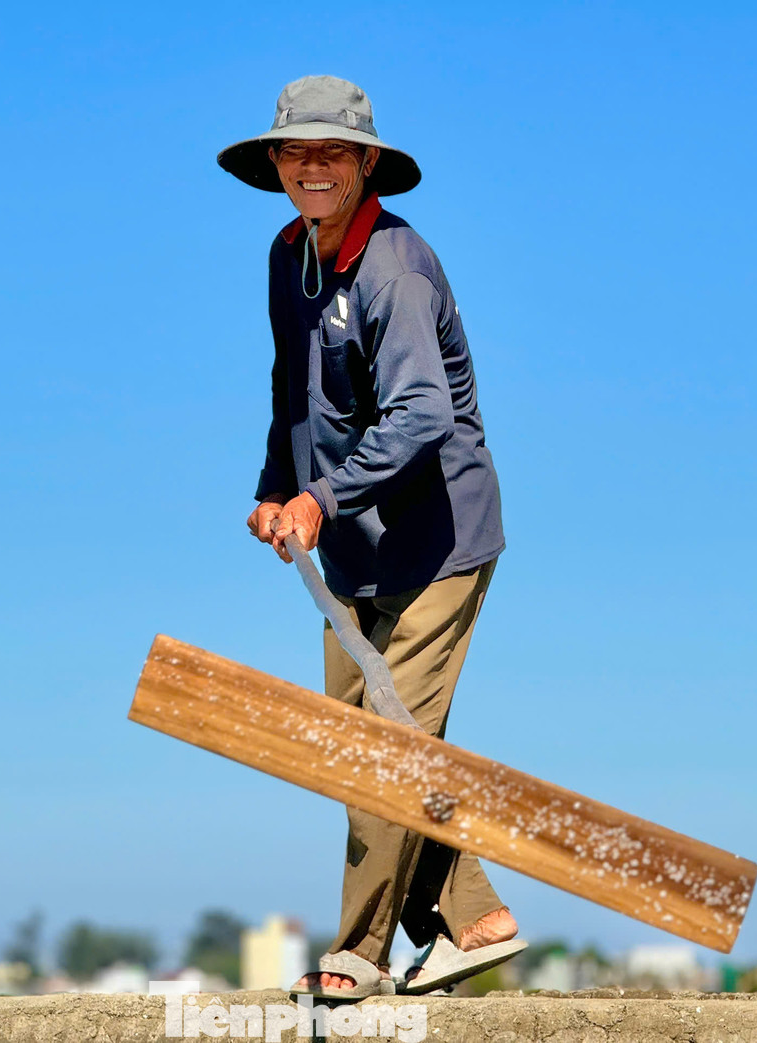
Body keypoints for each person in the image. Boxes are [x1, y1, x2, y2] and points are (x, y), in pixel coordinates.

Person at [218, 75, 524, 999]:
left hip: (437, 544)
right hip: (352, 553)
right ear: (275, 164)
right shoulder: (287, 256)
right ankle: (475, 917)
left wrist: (322, 496)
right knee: (362, 740)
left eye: (332, 153)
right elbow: (292, 392)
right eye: (295, 152)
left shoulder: (393, 265)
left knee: (380, 754)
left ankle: (360, 951)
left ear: (364, 164)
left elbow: (425, 411)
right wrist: (278, 490)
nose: (312, 168)